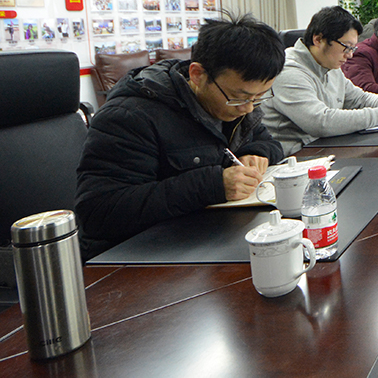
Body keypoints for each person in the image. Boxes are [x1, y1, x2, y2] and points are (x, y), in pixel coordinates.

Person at [75, 14, 286, 258]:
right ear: (197, 74)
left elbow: (267, 142)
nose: (248, 108)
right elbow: (98, 212)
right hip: (134, 259)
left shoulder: (234, 101)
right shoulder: (131, 115)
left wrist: (256, 153)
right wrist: (211, 186)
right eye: (240, 97)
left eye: (258, 97)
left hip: (206, 239)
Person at [263, 7, 378, 155]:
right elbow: (321, 122)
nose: (350, 55)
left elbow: (359, 98)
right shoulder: (288, 70)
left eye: (352, 48)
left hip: (326, 148)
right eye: (346, 47)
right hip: (295, 158)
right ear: (318, 40)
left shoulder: (330, 65)